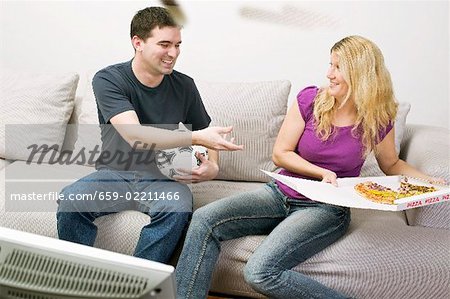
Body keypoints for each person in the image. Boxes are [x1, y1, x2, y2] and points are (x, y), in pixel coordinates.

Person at [175, 35, 445, 299]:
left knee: (260, 273)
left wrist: (432, 182)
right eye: (330, 64)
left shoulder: (378, 117)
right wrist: (320, 172)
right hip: (280, 193)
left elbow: (392, 163)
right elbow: (281, 154)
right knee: (204, 220)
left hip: (325, 208)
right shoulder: (310, 100)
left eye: (338, 67)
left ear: (359, 73)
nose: (329, 73)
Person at [56, 6, 242, 264]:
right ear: (138, 42)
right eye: (165, 44)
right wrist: (196, 138)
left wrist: (213, 167)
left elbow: (206, 131)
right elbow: (136, 135)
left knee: (178, 208)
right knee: (72, 199)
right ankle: (77, 278)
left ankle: (138, 282)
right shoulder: (109, 79)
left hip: (163, 177)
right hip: (115, 173)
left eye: (178, 45)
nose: (173, 53)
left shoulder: (184, 85)